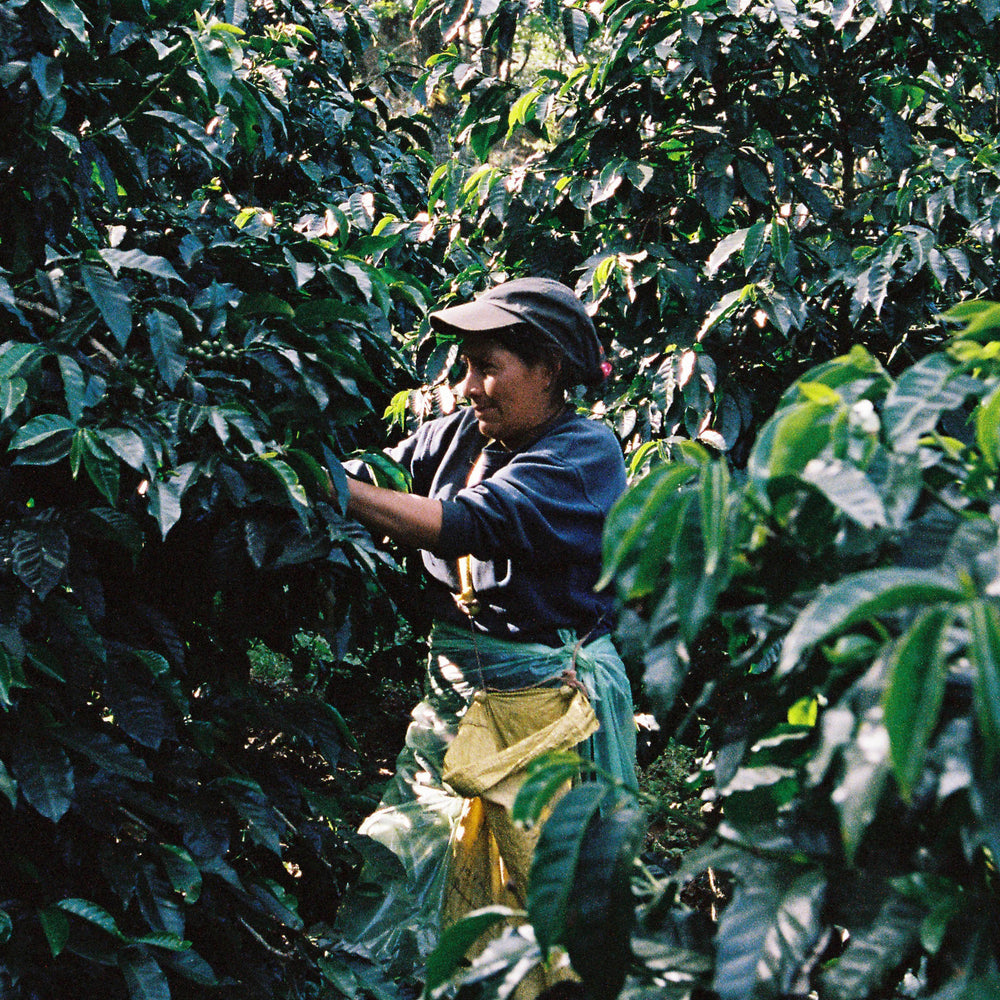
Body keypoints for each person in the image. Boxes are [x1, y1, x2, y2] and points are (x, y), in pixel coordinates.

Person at [335, 277, 637, 973]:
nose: (469, 387)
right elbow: (381, 476)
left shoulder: (584, 455)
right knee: (406, 851)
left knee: (536, 890)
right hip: (456, 700)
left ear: (548, 371)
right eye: (464, 367)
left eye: (487, 368)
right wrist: (299, 472)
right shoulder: (457, 437)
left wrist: (337, 490)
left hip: (544, 712)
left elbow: (471, 523)